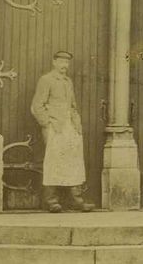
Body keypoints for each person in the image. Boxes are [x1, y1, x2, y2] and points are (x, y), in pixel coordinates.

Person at [30, 50, 94, 213]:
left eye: (67, 63)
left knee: (74, 161)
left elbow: (72, 105)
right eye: (61, 62)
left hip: (70, 126)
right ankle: (52, 201)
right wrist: (47, 124)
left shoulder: (68, 81)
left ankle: (77, 200)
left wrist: (77, 124)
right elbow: (37, 106)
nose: (64, 66)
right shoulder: (46, 80)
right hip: (55, 127)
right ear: (54, 62)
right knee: (54, 161)